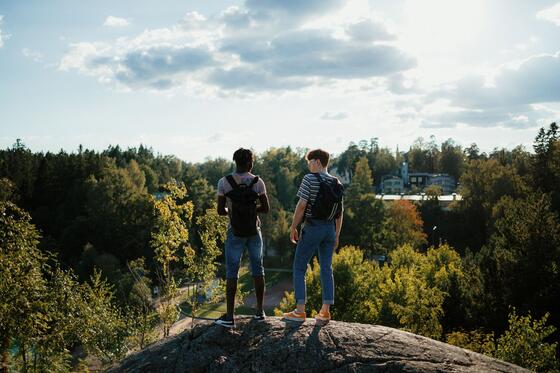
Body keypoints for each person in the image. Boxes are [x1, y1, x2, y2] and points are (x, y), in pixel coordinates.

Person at [283, 148, 344, 324]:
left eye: (310, 162)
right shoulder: (337, 182)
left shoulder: (310, 179)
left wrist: (293, 226)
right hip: (330, 229)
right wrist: (337, 235)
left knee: (299, 267)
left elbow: (302, 205)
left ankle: (300, 310)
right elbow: (340, 213)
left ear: (317, 162)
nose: (308, 165)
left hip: (313, 226)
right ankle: (325, 311)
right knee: (326, 268)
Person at [214, 148, 270, 328]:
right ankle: (260, 312)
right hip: (254, 230)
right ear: (250, 163)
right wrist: (251, 211)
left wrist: (233, 211)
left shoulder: (224, 182)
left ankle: (230, 316)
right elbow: (266, 208)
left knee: (232, 271)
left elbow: (220, 211)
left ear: (235, 162)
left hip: (235, 231)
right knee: (257, 268)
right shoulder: (257, 182)